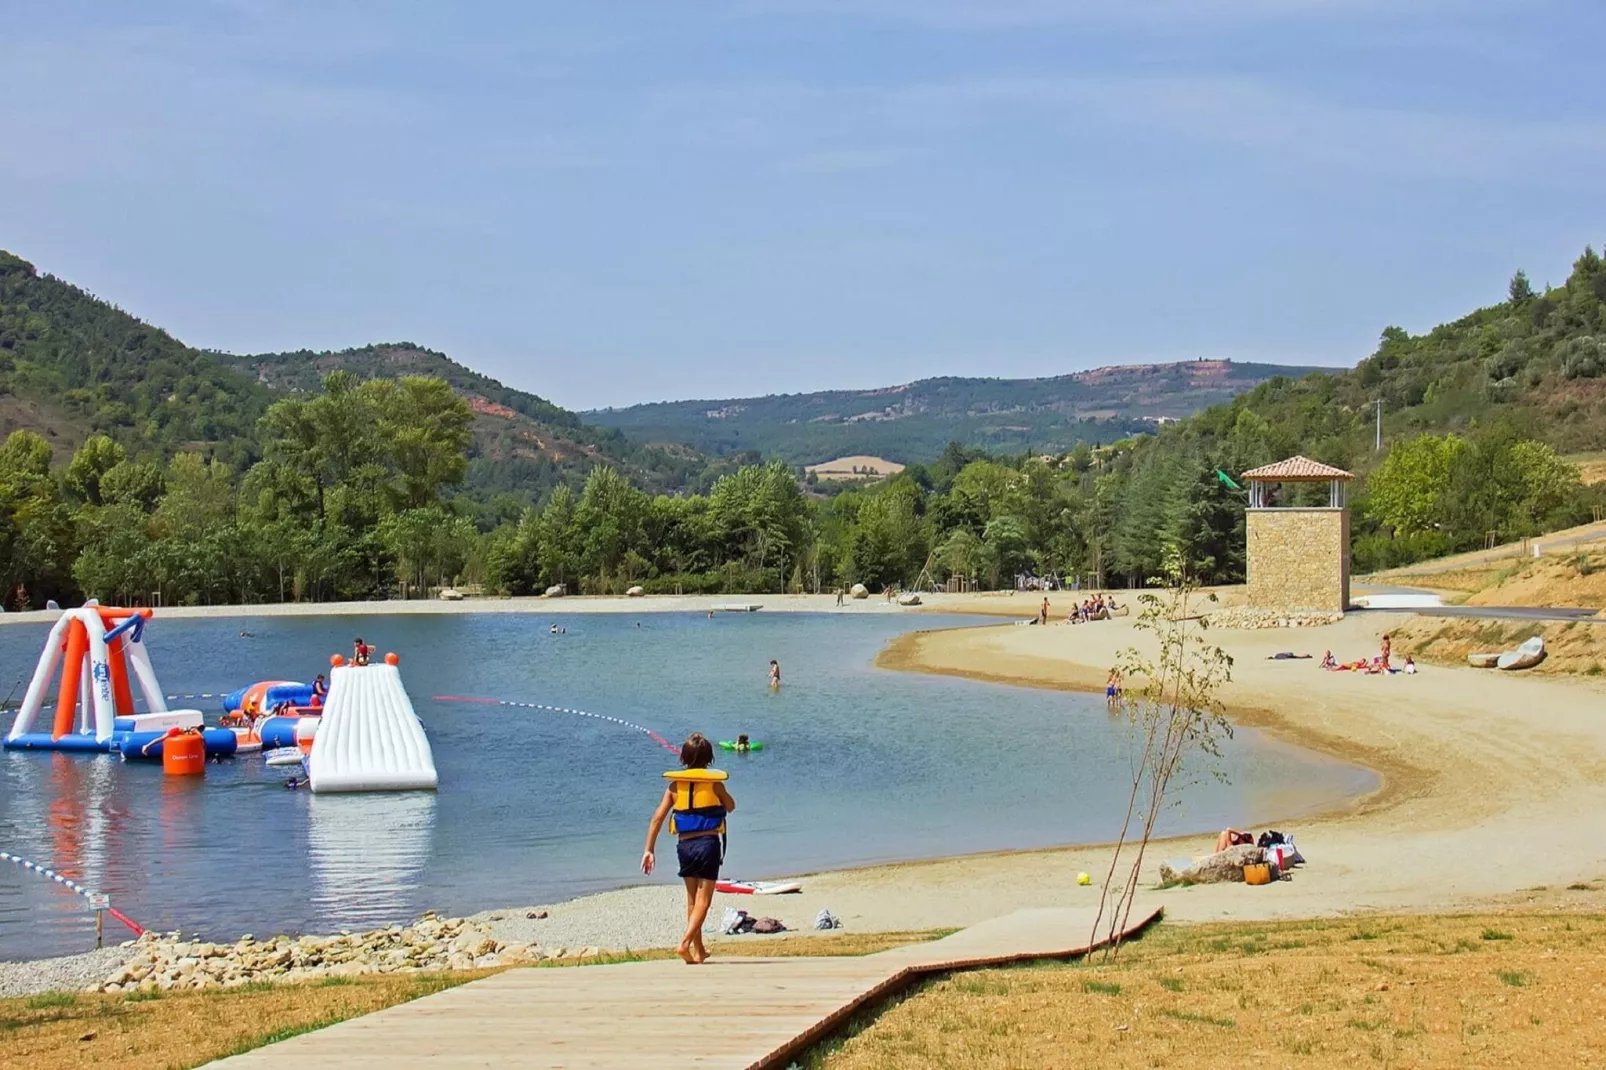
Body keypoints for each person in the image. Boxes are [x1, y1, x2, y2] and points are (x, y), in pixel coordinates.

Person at [643, 733, 735, 965]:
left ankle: (699, 951)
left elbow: (657, 818)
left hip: (684, 846)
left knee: (692, 900)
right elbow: (731, 806)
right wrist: (721, 798)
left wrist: (649, 849)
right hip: (707, 844)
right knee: (704, 901)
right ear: (709, 759)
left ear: (683, 758)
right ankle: (684, 943)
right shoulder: (714, 784)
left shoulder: (675, 786)